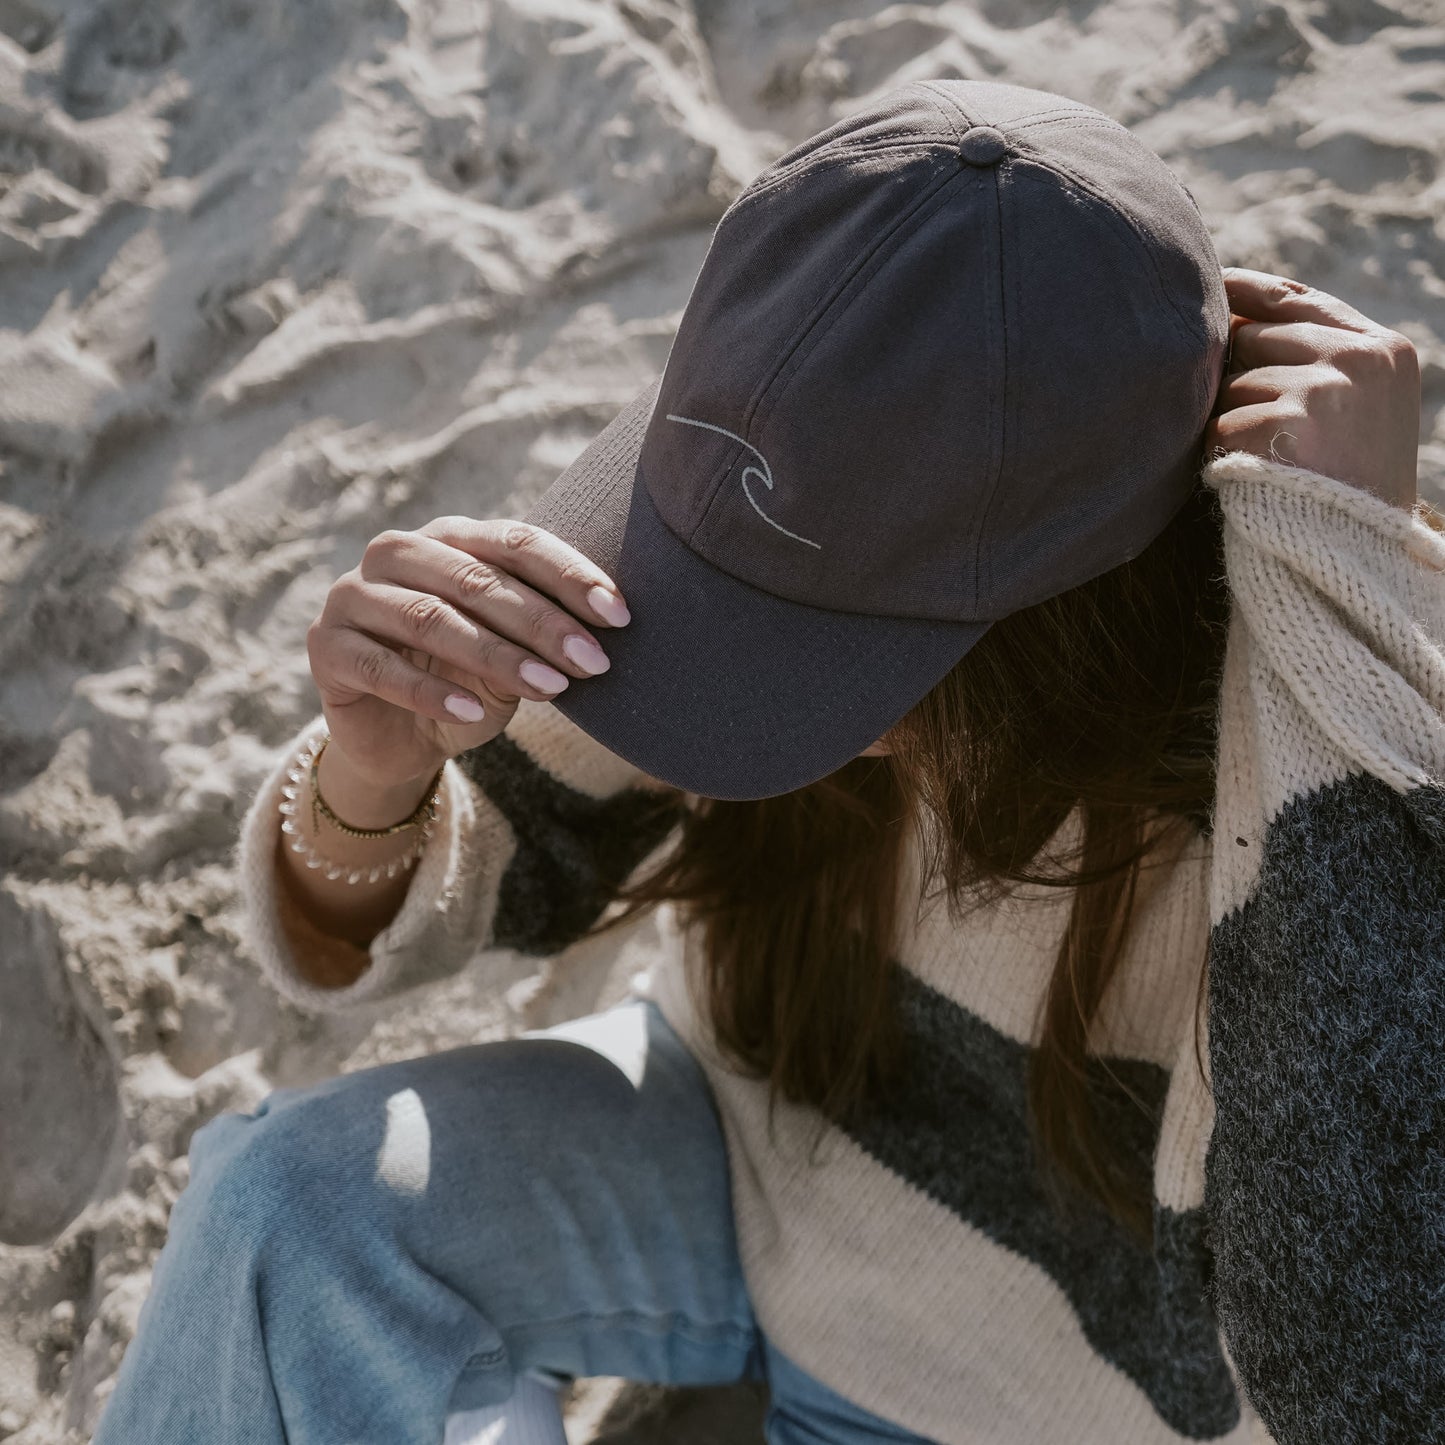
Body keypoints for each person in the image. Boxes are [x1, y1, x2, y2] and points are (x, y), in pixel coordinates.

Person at [91, 80, 1445, 1445]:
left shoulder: (1321, 719)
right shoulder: (813, 449)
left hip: (1026, 1393)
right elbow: (499, 865)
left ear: (1067, 631)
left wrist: (1342, 617)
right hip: (728, 1141)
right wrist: (374, 777)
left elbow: (1359, 1368)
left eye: (815, 643)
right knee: (283, 1208)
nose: (739, 669)